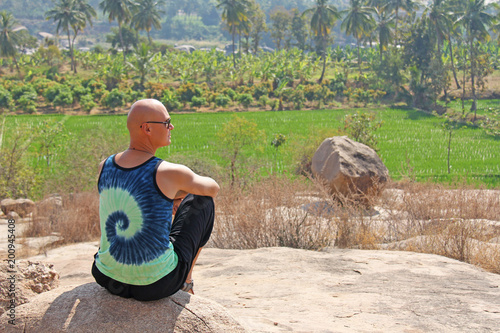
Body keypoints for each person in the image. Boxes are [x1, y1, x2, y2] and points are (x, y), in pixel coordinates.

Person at [92, 99, 219, 301]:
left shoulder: (104, 166)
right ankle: (186, 281)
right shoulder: (168, 172)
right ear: (147, 129)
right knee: (201, 200)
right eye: (167, 122)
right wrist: (180, 193)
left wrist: (171, 195)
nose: (171, 126)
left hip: (106, 278)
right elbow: (212, 188)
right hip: (156, 285)